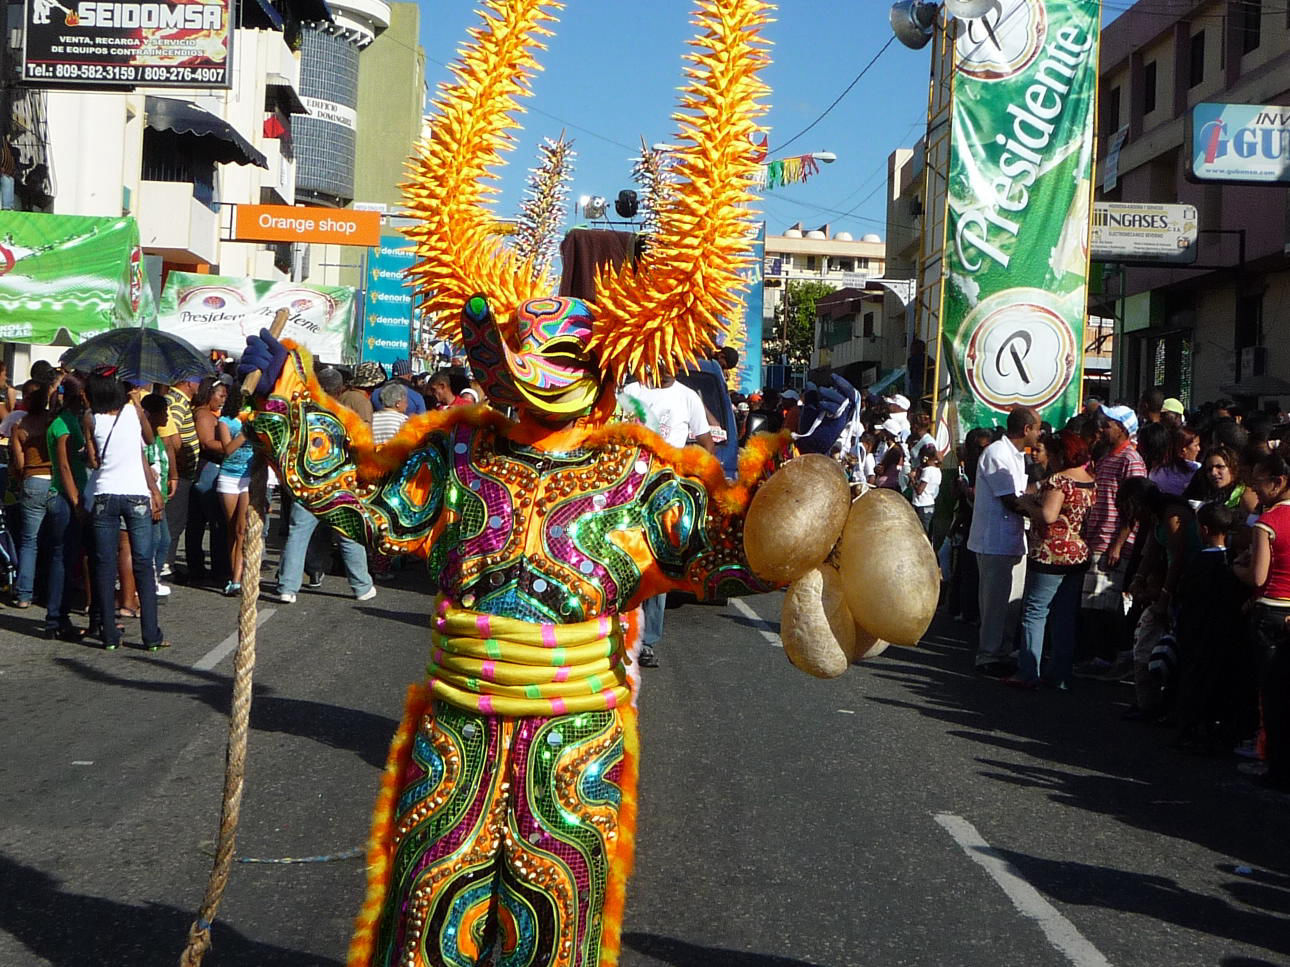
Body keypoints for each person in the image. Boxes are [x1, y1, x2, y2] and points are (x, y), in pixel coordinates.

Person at [619, 368, 714, 668]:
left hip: (668, 495)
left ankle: (646, 641)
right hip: (628, 490)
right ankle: (617, 635)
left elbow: (706, 441)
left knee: (658, 567)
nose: (668, 364)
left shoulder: (688, 398)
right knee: (623, 562)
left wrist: (693, 473)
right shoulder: (631, 392)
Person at [83, 373, 166, 651]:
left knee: (105, 564)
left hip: (105, 494)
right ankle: (151, 635)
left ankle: (109, 635)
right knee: (143, 561)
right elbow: (150, 438)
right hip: (136, 495)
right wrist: (138, 406)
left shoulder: (90, 418)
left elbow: (94, 461)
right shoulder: (132, 413)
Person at [1011, 431, 1096, 689]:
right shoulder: (1089, 480)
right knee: (1064, 615)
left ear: (1060, 454)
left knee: (1035, 613)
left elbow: (1048, 515)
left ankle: (1028, 672)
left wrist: (1026, 504)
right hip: (1078, 552)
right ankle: (1059, 674)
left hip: (1051, 552)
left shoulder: (1059, 480)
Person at [1173, 503, 1254, 754]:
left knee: (1195, 680)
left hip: (1198, 631)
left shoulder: (1200, 562)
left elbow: (1185, 596)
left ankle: (1192, 729)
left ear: (1203, 529)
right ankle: (1219, 731)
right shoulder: (1234, 563)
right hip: (1227, 632)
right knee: (1221, 682)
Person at [1117, 477, 1200, 720]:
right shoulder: (1156, 516)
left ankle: (1168, 706)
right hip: (1173, 582)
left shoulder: (1173, 515)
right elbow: (1151, 551)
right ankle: (1150, 702)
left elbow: (1178, 559)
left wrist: (1165, 595)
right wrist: (1139, 578)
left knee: (1175, 647)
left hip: (1188, 582)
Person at [967, 406, 1041, 676]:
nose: (1039, 433)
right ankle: (988, 655)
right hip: (994, 540)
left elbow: (1022, 492)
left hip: (1012, 539)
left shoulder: (1018, 456)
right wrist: (1041, 513)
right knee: (995, 603)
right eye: (1037, 428)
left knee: (1012, 602)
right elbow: (1010, 500)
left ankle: (1003, 651)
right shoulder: (997, 454)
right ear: (1026, 430)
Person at [1234, 452, 1290, 791]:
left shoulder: (1268, 522)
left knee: (1271, 696)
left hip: (1269, 610)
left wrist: (1234, 567)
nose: (1255, 489)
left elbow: (1257, 577)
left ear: (1278, 481)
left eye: (1259, 482)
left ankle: (1273, 765)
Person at [1077, 405, 1146, 676]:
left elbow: (1135, 506)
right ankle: (1100, 655)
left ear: (1122, 428)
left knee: (1104, 604)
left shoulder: (1132, 460)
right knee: (1093, 603)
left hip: (1112, 543)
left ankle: (1109, 656)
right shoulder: (1106, 456)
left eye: (1108, 424)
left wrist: (1118, 543)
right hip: (1096, 539)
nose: (1103, 428)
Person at [44, 373, 90, 640]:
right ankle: (55, 618)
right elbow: (63, 465)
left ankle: (59, 616)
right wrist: (75, 500)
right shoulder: (63, 423)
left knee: (66, 557)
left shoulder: (69, 420)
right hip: (64, 496)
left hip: (68, 493)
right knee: (62, 558)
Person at [10, 381, 54, 608]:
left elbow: (19, 464)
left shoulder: (20, 426)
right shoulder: (52, 422)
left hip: (31, 480)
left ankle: (24, 594)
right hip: (54, 480)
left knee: (29, 540)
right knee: (54, 540)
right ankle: (50, 592)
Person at [190, 376, 231, 584]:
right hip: (208, 470)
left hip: (204, 471)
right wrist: (231, 447)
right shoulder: (205, 415)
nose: (223, 399)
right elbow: (207, 442)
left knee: (198, 523)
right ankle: (219, 570)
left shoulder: (205, 413)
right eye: (221, 395)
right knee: (217, 522)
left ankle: (197, 568)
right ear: (209, 394)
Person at [160, 375, 201, 578]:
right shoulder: (177, 403)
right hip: (179, 471)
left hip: (182, 470)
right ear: (188, 383)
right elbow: (170, 437)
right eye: (198, 381)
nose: (199, 386)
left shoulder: (179, 401)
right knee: (174, 520)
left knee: (175, 519)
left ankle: (167, 562)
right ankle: (166, 564)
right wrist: (177, 465)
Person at [216, 386, 254, 596]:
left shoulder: (255, 418)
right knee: (231, 529)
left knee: (242, 530)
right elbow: (228, 450)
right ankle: (233, 574)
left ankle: (238, 579)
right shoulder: (225, 422)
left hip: (248, 478)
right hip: (229, 477)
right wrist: (245, 433)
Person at [141, 393, 172, 598]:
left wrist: (174, 476)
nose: (167, 416)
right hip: (151, 499)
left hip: (161, 496)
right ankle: (148, 581)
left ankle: (154, 577)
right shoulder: (144, 440)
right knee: (155, 541)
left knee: (164, 540)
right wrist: (153, 497)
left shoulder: (158, 438)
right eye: (163, 412)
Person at [911, 443, 941, 537]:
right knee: (927, 532)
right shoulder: (938, 470)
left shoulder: (927, 471)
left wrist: (912, 479)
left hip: (921, 505)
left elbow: (919, 491)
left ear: (925, 458)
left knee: (920, 532)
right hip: (930, 503)